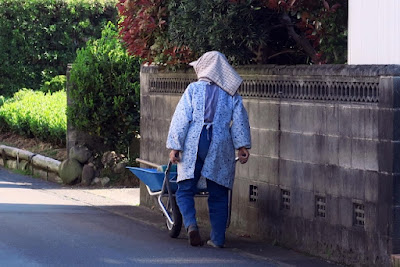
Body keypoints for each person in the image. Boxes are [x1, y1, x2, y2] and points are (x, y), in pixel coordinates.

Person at [166, 51, 251, 248]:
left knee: (184, 189)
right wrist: (242, 146)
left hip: (195, 141)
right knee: (219, 192)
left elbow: (181, 119)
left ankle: (191, 226)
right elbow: (239, 121)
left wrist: (175, 147)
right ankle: (218, 239)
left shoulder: (193, 89)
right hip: (220, 142)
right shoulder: (231, 94)